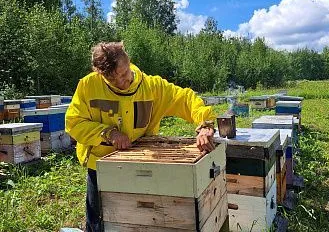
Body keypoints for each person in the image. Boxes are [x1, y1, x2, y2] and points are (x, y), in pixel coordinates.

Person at [65, 42, 216, 232]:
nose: (124, 81)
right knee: (99, 221)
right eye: (116, 79)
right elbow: (74, 123)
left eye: (125, 72)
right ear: (101, 75)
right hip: (101, 163)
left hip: (141, 162)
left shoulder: (151, 86)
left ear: (128, 61)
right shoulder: (88, 85)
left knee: (142, 218)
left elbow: (185, 99)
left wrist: (205, 123)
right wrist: (108, 133)